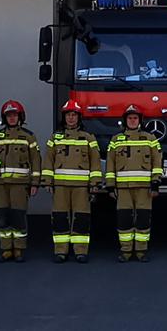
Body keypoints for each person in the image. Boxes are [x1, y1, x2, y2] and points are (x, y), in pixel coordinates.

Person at [42, 98, 103, 263]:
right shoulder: (55, 137)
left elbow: (95, 163)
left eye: (74, 115)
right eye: (68, 115)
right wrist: (47, 181)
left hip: (82, 187)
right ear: (64, 117)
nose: (71, 118)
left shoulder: (88, 138)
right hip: (60, 186)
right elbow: (48, 160)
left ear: (79, 117)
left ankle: (80, 251)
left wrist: (94, 184)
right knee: (60, 218)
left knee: (81, 219)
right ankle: (60, 251)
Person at [108, 104, 164, 262]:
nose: (132, 121)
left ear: (140, 120)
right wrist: (110, 186)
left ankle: (141, 251)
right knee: (124, 220)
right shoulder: (116, 140)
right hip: (123, 189)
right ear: (125, 120)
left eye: (135, 118)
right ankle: (125, 251)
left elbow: (157, 162)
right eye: (130, 118)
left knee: (143, 220)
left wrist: (155, 183)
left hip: (144, 189)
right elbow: (111, 164)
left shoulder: (150, 139)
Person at [0, 100, 41, 263]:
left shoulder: (28, 137)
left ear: (20, 117)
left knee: (18, 217)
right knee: (2, 218)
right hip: (0, 184)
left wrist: (35, 183)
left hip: (20, 185)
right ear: (4, 118)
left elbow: (36, 161)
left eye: (14, 115)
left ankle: (18, 249)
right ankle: (6, 249)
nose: (11, 118)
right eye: (9, 116)